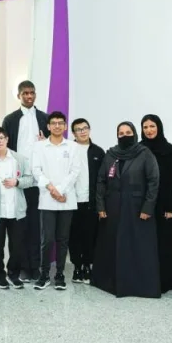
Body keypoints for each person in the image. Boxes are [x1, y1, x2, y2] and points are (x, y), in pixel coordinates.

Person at [93, 122, 161, 298]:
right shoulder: (110, 154)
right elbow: (101, 181)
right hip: (112, 207)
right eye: (121, 133)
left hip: (137, 208)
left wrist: (147, 207)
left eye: (128, 132)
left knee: (136, 246)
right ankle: (110, 283)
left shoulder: (145, 153)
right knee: (113, 244)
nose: (124, 136)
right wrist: (100, 206)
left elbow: (153, 181)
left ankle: (136, 285)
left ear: (135, 133)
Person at [1, 81, 48, 282]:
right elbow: (4, 148)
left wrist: (45, 144)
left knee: (36, 226)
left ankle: (35, 267)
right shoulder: (10, 119)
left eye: (32, 93)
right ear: (19, 95)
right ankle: (19, 267)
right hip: (17, 180)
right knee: (18, 226)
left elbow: (51, 148)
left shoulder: (44, 118)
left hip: (37, 181)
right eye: (25, 93)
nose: (29, 96)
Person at [31, 112, 81, 290]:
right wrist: (52, 189)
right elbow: (36, 170)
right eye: (54, 123)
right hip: (47, 199)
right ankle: (44, 274)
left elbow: (75, 171)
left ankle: (60, 275)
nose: (57, 126)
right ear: (48, 126)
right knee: (47, 239)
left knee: (63, 239)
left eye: (61, 123)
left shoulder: (73, 146)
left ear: (65, 126)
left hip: (66, 199)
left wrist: (60, 190)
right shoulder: (39, 146)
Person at [0, 126, 33, 290]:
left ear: (7, 139)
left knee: (17, 246)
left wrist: (16, 182)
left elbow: (30, 180)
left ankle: (13, 274)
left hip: (16, 210)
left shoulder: (19, 159)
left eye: (0, 138)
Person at [140, 114, 172, 293]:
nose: (149, 130)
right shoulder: (138, 150)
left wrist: (171, 207)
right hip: (143, 204)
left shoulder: (168, 151)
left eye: (152, 126)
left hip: (163, 204)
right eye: (145, 127)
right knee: (144, 241)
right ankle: (144, 278)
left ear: (159, 127)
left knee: (164, 243)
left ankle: (165, 281)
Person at [68, 118, 105, 284]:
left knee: (90, 235)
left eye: (85, 128)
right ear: (73, 133)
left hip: (91, 201)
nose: (82, 132)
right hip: (71, 201)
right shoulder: (68, 149)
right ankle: (77, 266)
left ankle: (88, 266)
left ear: (89, 130)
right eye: (78, 129)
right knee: (74, 236)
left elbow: (103, 179)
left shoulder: (98, 152)